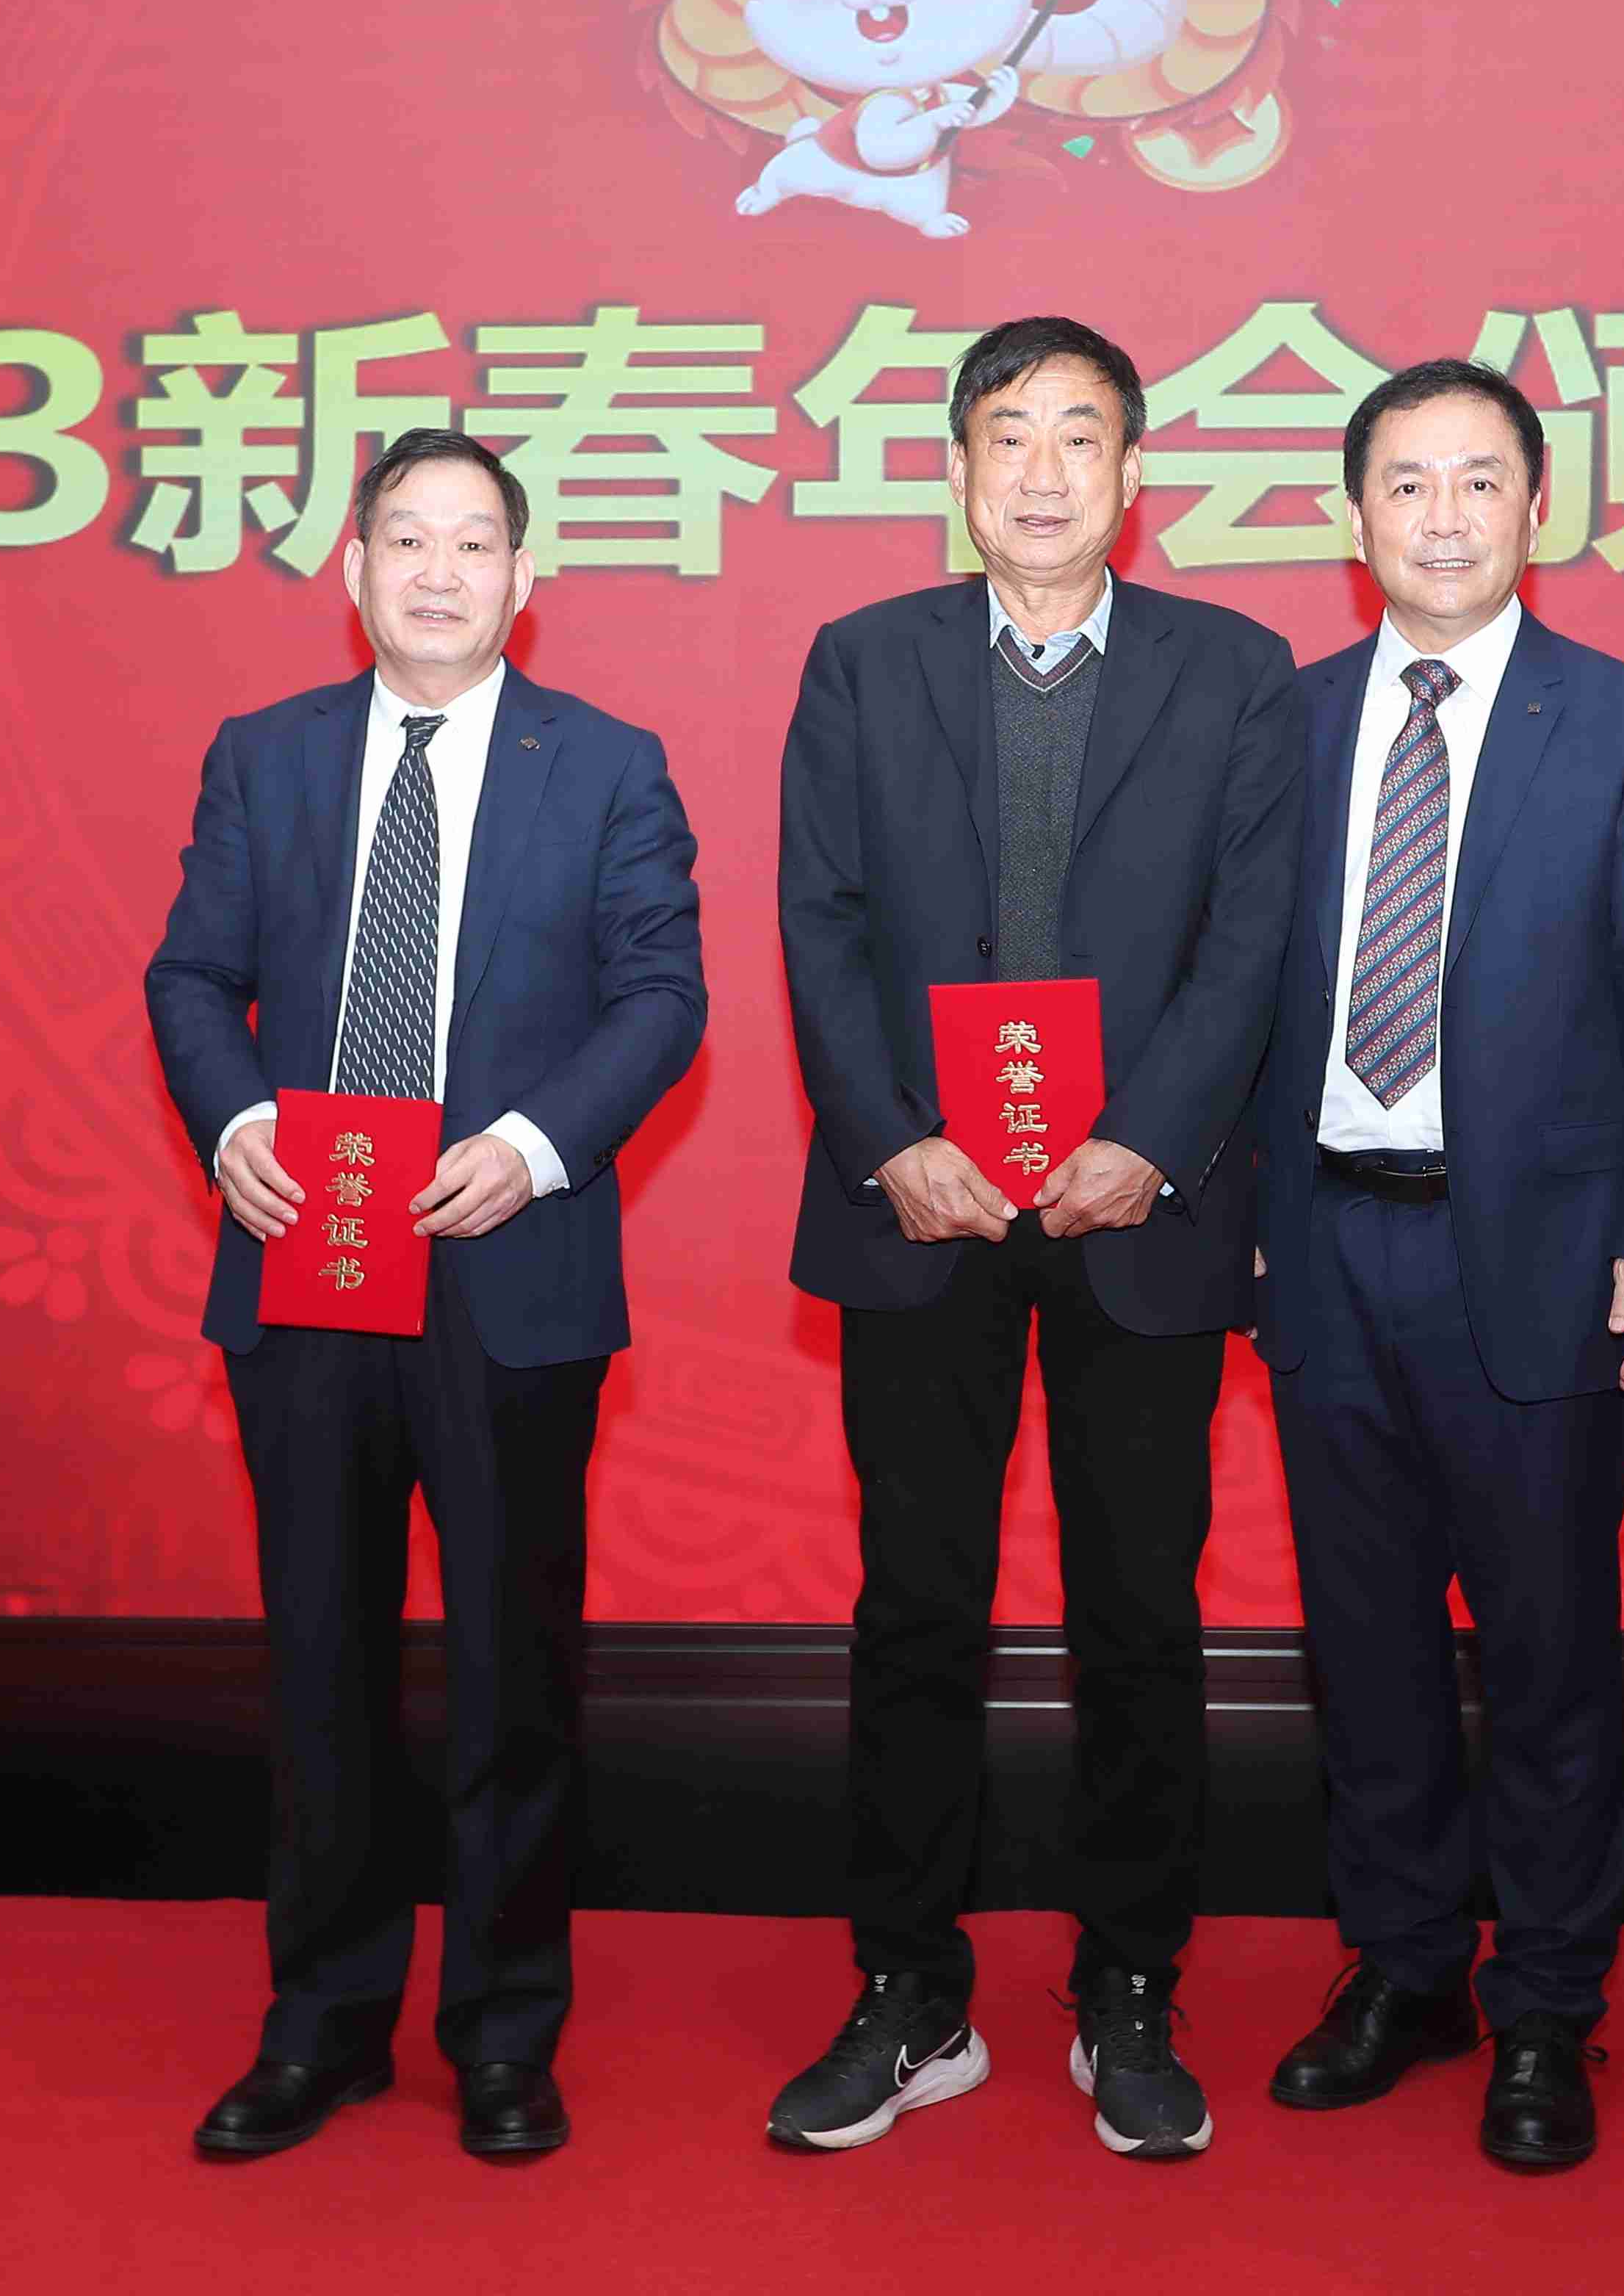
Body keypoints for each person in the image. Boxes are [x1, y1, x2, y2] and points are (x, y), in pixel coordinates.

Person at [767, 314, 1302, 2162]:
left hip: (1137, 1209)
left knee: (1139, 1613)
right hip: (925, 1207)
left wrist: (1150, 1140)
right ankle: (909, 1990)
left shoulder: (1237, 671)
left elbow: (1250, 938)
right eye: (1011, 435)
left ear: (1135, 475)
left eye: (1083, 435)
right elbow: (821, 922)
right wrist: (891, 1141)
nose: (1046, 470)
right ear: (958, 470)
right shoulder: (864, 660)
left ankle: (1128, 1984)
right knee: (914, 1606)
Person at [143, 425, 707, 2165]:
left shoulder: (605, 764)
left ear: (527, 579)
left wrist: (533, 1148)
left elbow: (662, 997)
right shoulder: (267, 756)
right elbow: (191, 975)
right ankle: (321, 2023)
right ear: (354, 570)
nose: (440, 572)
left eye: (475, 542)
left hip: (507, 1267)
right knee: (322, 1656)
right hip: (308, 1253)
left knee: (509, 1669)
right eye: (407, 539)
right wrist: (236, 1120)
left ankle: (504, 2033)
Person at [1246, 358, 1624, 2171]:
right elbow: (1226, 989)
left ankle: (1547, 2005)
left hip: (1541, 1260)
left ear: (1539, 507)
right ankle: (1404, 1968)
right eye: (1405, 484)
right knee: (1364, 1652)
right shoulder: (1283, 724)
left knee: (1545, 1656)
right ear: (1353, 517)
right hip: (1325, 1247)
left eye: (1477, 482)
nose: (1441, 518)